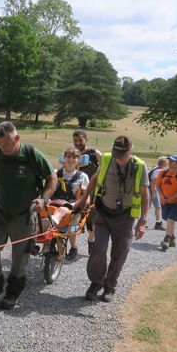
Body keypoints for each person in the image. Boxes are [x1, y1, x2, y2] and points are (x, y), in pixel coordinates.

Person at [0, 121, 57, 309]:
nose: (3, 148)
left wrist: (43, 199)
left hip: (24, 214)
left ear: (17, 138)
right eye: (0, 144)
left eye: (7, 144)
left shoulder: (31, 154)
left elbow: (52, 177)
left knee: (20, 257)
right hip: (0, 211)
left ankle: (13, 293)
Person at [74, 135, 149, 303]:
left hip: (125, 217)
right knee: (98, 249)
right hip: (103, 213)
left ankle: (109, 287)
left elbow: (145, 194)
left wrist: (142, 221)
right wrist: (82, 200)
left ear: (131, 150)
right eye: (117, 153)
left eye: (122, 154)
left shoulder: (139, 166)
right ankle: (96, 282)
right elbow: (94, 179)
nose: (119, 158)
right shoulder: (107, 159)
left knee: (119, 254)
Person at [43, 147, 89, 259]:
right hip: (54, 204)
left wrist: (80, 205)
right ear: (64, 158)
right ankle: (43, 241)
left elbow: (86, 198)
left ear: (78, 160)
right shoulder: (55, 173)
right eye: (69, 157)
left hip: (73, 207)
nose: (71, 160)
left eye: (74, 157)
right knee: (42, 215)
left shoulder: (82, 176)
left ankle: (73, 247)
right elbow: (47, 189)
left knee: (68, 218)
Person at [59, 129, 102, 246]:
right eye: (75, 140)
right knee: (74, 220)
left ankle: (91, 239)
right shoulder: (70, 153)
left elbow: (105, 168)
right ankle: (73, 245)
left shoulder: (94, 153)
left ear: (86, 140)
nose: (77, 143)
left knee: (91, 220)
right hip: (74, 191)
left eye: (80, 140)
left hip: (91, 192)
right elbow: (63, 167)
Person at [156, 154, 177, 251]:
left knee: (171, 219)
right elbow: (158, 185)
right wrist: (161, 196)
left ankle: (166, 239)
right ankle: (172, 238)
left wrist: (172, 198)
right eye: (169, 161)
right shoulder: (163, 172)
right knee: (169, 220)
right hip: (165, 201)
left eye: (172, 162)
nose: (170, 163)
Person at [149, 156, 168, 230]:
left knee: (148, 206)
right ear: (164, 164)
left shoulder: (156, 168)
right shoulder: (158, 171)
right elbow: (154, 182)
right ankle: (158, 224)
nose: (168, 164)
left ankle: (143, 222)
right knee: (158, 207)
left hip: (150, 188)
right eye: (167, 162)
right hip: (152, 189)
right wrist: (153, 192)